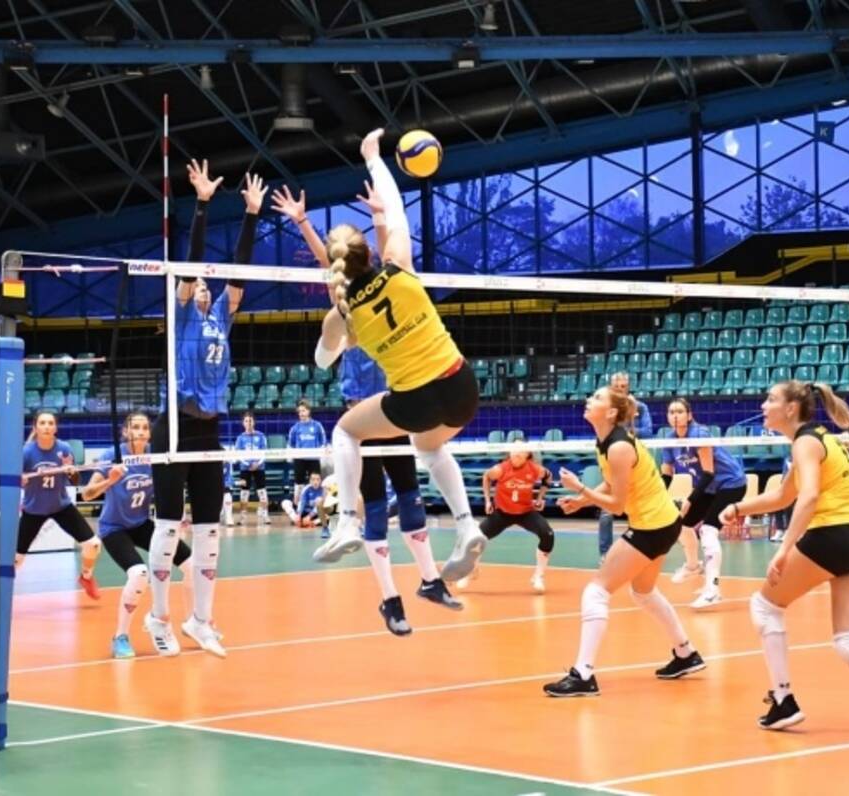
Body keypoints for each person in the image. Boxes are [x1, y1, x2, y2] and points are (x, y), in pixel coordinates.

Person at [272, 176, 462, 635]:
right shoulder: (348, 305)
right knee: (377, 507)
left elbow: (371, 261)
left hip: (395, 406)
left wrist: (369, 218)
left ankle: (430, 580)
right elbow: (339, 264)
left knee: (410, 499)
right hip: (368, 415)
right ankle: (390, 600)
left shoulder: (375, 292)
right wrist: (310, 224)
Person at [308, 128, 484, 586]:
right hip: (462, 385)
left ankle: (347, 521)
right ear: (369, 252)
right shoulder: (399, 266)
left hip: (414, 400)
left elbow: (323, 361)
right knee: (429, 447)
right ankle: (466, 526)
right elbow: (397, 210)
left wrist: (340, 333)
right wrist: (372, 157)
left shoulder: (342, 314)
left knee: (346, 431)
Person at [718, 381, 849, 745]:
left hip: (833, 534)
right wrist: (738, 507)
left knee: (765, 606)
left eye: (771, 399)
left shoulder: (805, 442)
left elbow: (809, 497)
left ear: (791, 409)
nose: (763, 405)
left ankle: (783, 700)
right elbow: (783, 495)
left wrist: (785, 548)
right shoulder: (819, 439)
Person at [146, 160, 265, 660]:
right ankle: (158, 617)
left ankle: (201, 619)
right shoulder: (180, 317)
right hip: (174, 427)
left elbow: (236, 272)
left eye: (206, 285)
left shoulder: (221, 315)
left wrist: (252, 214)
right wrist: (201, 204)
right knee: (169, 525)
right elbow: (194, 263)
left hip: (209, 431)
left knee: (210, 529)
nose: (203, 286)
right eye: (196, 284)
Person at [545, 387, 705, 697]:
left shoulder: (619, 446)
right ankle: (686, 653)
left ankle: (583, 674)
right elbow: (612, 482)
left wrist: (581, 489)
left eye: (597, 398)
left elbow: (617, 505)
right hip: (663, 523)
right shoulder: (605, 441)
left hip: (652, 526)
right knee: (643, 592)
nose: (588, 400)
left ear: (611, 412)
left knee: (596, 591)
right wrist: (581, 500)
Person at [81, 412, 196, 659]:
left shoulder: (154, 456)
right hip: (114, 528)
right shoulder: (112, 455)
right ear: (125, 432)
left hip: (142, 524)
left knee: (191, 564)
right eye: (135, 427)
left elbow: (169, 491)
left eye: (145, 427)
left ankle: (192, 623)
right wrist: (109, 481)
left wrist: (180, 516)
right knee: (139, 574)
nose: (141, 431)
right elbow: (86, 494)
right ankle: (120, 637)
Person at [661, 397, 747, 609]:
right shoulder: (669, 440)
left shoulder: (699, 434)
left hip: (730, 484)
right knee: (682, 524)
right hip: (708, 488)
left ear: (689, 415)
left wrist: (690, 499)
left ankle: (713, 590)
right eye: (671, 412)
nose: (675, 416)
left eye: (680, 411)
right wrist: (657, 497)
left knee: (708, 530)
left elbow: (708, 473)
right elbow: (667, 475)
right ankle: (692, 566)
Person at [18, 410, 102, 597]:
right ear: (35, 427)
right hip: (34, 510)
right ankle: (2, 593)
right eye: (42, 423)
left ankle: (86, 576)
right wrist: (22, 480)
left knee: (93, 544)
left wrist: (71, 471)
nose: (47, 427)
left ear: (55, 428)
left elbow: (75, 481)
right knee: (17, 559)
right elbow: (18, 481)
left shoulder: (64, 448)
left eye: (50, 423)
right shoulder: (27, 452)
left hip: (60, 507)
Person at [478, 441, 555, 593]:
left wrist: (541, 497)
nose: (517, 453)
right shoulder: (501, 469)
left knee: (548, 534)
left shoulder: (534, 469)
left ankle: (538, 576)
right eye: (514, 450)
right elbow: (486, 477)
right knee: (476, 539)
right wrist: (487, 500)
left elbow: (548, 476)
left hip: (526, 513)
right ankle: (472, 569)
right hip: (502, 513)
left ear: (527, 454)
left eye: (521, 451)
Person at [597, 372, 652, 560]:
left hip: (636, 463)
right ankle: (605, 554)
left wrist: (625, 429)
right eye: (617, 386)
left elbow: (648, 431)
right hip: (614, 462)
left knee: (638, 509)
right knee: (606, 511)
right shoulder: (606, 409)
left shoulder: (640, 407)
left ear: (628, 387)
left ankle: (641, 550)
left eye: (623, 386)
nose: (620, 389)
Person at [227, 410, 269, 526]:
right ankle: (242, 517)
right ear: (243, 423)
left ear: (254, 422)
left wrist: (257, 463)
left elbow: (265, 452)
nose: (248, 423)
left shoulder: (261, 436)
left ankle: (265, 515)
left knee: (262, 492)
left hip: (259, 468)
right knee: (244, 492)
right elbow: (238, 454)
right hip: (245, 469)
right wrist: (247, 464)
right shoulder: (240, 438)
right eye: (246, 421)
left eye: (250, 421)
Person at [287, 400, 327, 506]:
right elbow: (290, 444)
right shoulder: (295, 428)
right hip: (299, 460)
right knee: (298, 484)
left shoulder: (317, 426)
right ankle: (298, 507)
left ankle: (317, 507)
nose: (301, 413)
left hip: (313, 459)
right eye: (299, 411)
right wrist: (291, 456)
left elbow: (323, 442)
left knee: (316, 483)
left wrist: (321, 453)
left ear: (308, 411)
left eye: (303, 411)